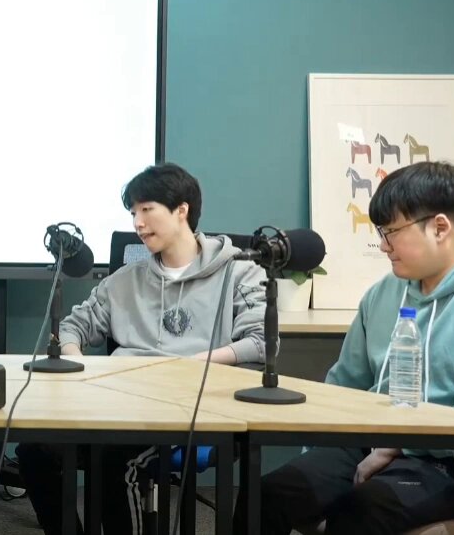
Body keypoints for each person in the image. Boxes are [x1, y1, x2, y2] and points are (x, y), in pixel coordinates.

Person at [239, 161, 454, 535]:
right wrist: (319, 454)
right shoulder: (385, 292)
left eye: (391, 232)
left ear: (440, 228)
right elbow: (345, 385)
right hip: (378, 442)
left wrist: (399, 445)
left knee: (361, 512)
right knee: (268, 495)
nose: (383, 245)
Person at [17, 162, 267, 535]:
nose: (138, 222)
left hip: (189, 408)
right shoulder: (125, 280)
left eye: (147, 209)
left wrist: (193, 364)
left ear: (181, 210)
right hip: (119, 403)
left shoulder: (239, 271)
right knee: (34, 448)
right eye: (133, 212)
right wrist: (79, 365)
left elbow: (260, 342)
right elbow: (72, 327)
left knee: (114, 460)